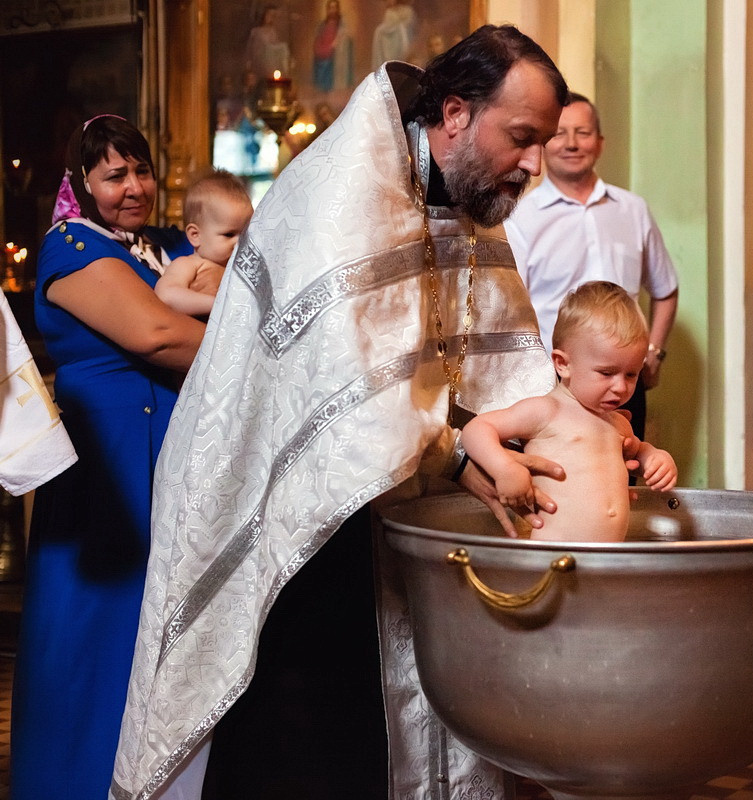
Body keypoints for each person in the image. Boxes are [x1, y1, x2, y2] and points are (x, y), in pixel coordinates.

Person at [112, 25, 569, 799]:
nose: (534, 164)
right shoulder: (338, 192)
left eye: (543, 142)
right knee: (313, 747)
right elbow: (339, 390)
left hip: (407, 531)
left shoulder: (467, 203)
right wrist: (462, 448)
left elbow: (495, 365)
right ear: (455, 113)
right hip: (298, 526)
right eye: (522, 138)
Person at [11, 115, 207, 800]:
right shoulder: (70, 244)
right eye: (114, 174)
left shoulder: (168, 243)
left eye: (142, 171)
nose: (133, 187)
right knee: (95, 641)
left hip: (174, 465)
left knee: (165, 642)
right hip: (108, 477)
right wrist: (261, 352)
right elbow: (155, 334)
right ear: (83, 182)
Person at [505, 92, 679, 441]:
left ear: (599, 144)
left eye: (582, 133)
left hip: (625, 378)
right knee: (561, 479)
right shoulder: (519, 217)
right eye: (559, 133)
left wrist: (653, 353)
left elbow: (666, 288)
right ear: (542, 143)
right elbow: (513, 307)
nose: (571, 143)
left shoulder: (632, 209)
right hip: (553, 381)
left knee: (626, 476)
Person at [463, 281, 678, 542]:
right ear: (563, 364)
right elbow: (476, 429)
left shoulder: (618, 424)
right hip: (554, 558)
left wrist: (654, 457)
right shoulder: (546, 411)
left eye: (631, 374)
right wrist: (504, 468)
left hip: (608, 560)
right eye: (606, 373)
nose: (621, 387)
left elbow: (637, 452)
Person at [154, 170, 252, 317]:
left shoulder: (246, 265)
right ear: (195, 235)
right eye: (229, 234)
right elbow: (166, 295)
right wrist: (218, 304)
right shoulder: (189, 264)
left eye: (245, 234)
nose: (239, 242)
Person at [312, 0, 354, 93]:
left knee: (329, 57)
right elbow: (319, 38)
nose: (332, 10)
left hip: (335, 50)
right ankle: (322, 88)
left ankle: (330, 88)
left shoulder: (341, 24)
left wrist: (336, 43)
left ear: (337, 9)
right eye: (330, 7)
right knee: (320, 55)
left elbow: (345, 36)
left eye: (334, 7)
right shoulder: (323, 24)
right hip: (324, 48)